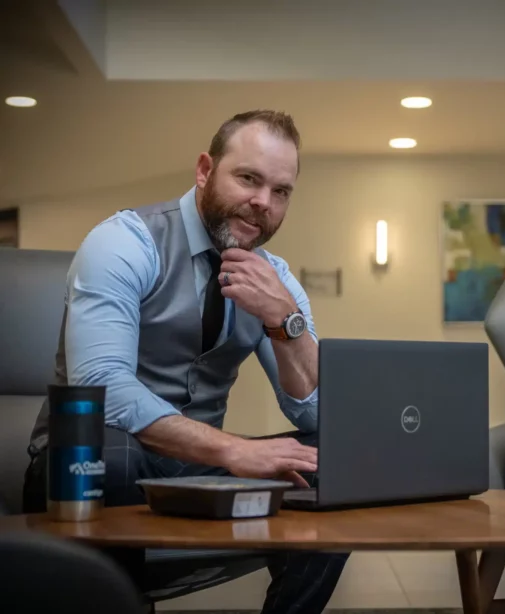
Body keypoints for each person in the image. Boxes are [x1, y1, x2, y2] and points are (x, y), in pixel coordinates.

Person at [23, 110, 349, 613]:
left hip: (194, 470)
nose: (263, 202)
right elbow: (101, 385)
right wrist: (233, 450)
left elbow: (316, 414)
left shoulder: (275, 279)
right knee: (113, 451)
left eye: (281, 191)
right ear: (204, 170)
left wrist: (285, 322)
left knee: (333, 457)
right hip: (83, 465)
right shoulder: (124, 242)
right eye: (248, 178)